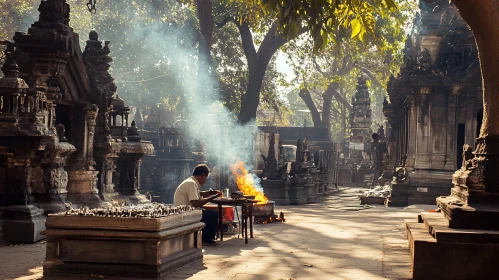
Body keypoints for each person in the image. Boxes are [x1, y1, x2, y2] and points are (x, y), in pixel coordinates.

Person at [173, 164, 221, 245]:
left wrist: (210, 193)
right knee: (212, 215)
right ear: (202, 175)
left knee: (210, 213)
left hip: (186, 210)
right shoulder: (191, 183)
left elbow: (198, 194)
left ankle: (205, 237)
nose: (206, 180)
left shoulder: (191, 182)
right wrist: (213, 197)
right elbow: (195, 203)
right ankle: (207, 239)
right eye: (206, 177)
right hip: (185, 213)